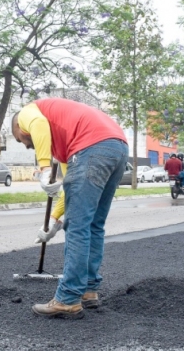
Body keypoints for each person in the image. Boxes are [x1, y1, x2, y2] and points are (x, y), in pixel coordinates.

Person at [12, 98, 128, 319]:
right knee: (93, 225)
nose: (26, 145)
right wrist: (55, 220)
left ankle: (67, 299)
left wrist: (44, 167)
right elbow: (70, 188)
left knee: (77, 228)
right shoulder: (67, 145)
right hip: (117, 148)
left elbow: (37, 124)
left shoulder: (27, 112)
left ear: (18, 127)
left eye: (20, 140)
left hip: (93, 146)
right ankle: (88, 290)